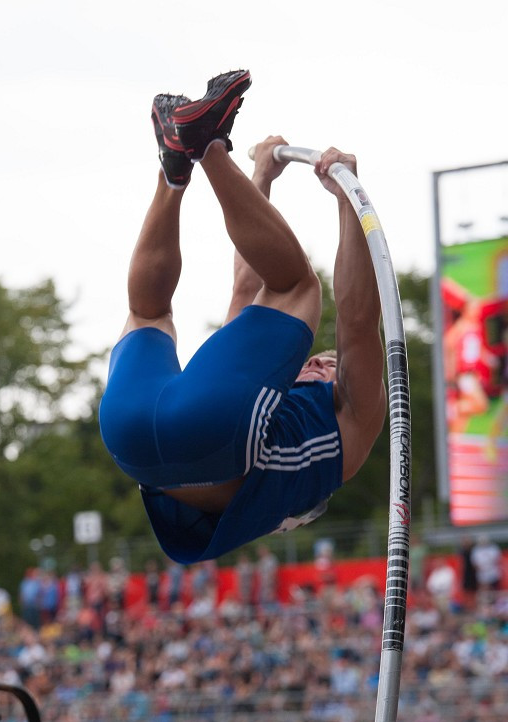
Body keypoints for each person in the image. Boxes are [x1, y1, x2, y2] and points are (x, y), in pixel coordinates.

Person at [99, 70, 385, 565]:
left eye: (329, 365)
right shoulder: (255, 398)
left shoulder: (354, 427)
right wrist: (262, 179)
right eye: (320, 359)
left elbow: (358, 321)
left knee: (298, 288)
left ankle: (207, 146)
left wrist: (348, 205)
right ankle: (174, 169)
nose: (320, 363)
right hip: (134, 432)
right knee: (148, 313)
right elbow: (246, 288)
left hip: (193, 436)